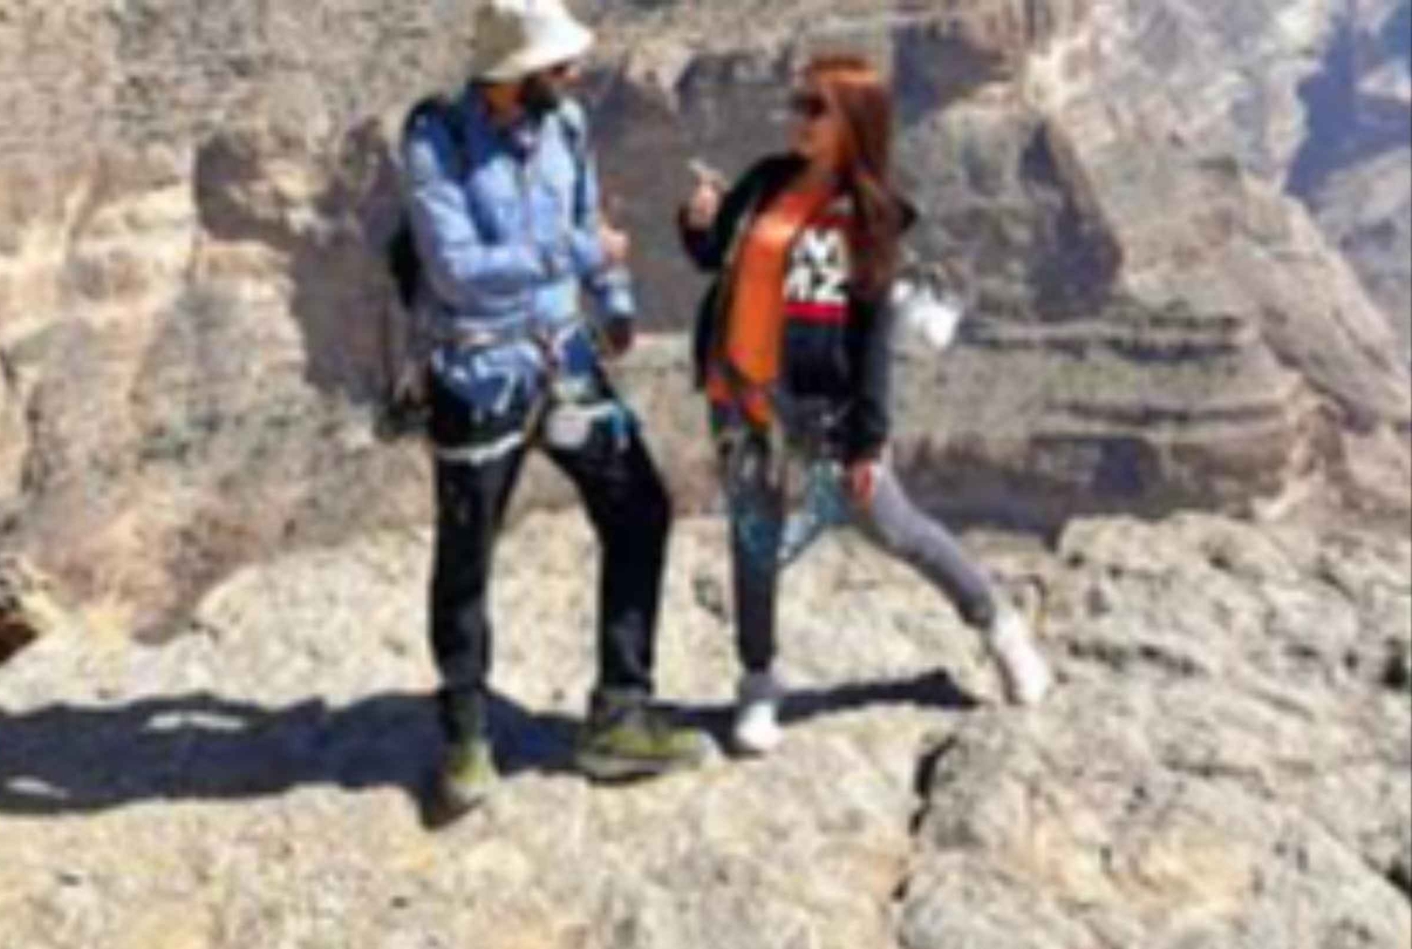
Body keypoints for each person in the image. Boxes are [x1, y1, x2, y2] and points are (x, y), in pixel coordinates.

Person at [677, 54, 1054, 756]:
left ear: (853, 122)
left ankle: (998, 623)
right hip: (740, 398)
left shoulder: (868, 216)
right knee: (753, 540)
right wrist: (697, 221)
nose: (797, 118)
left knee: (895, 525)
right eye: (796, 103)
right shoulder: (764, 181)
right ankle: (758, 682)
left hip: (821, 412)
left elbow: (871, 339)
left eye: (814, 108)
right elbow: (711, 257)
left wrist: (867, 440)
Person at [402, 0, 711, 815]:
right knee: (468, 552)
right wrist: (580, 254)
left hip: (564, 357)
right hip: (479, 372)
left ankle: (620, 712)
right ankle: (467, 734)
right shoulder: (436, 140)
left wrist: (614, 298)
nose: (574, 74)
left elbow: (587, 215)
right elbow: (459, 269)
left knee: (640, 508)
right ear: (514, 74)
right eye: (558, 64)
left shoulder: (566, 125)